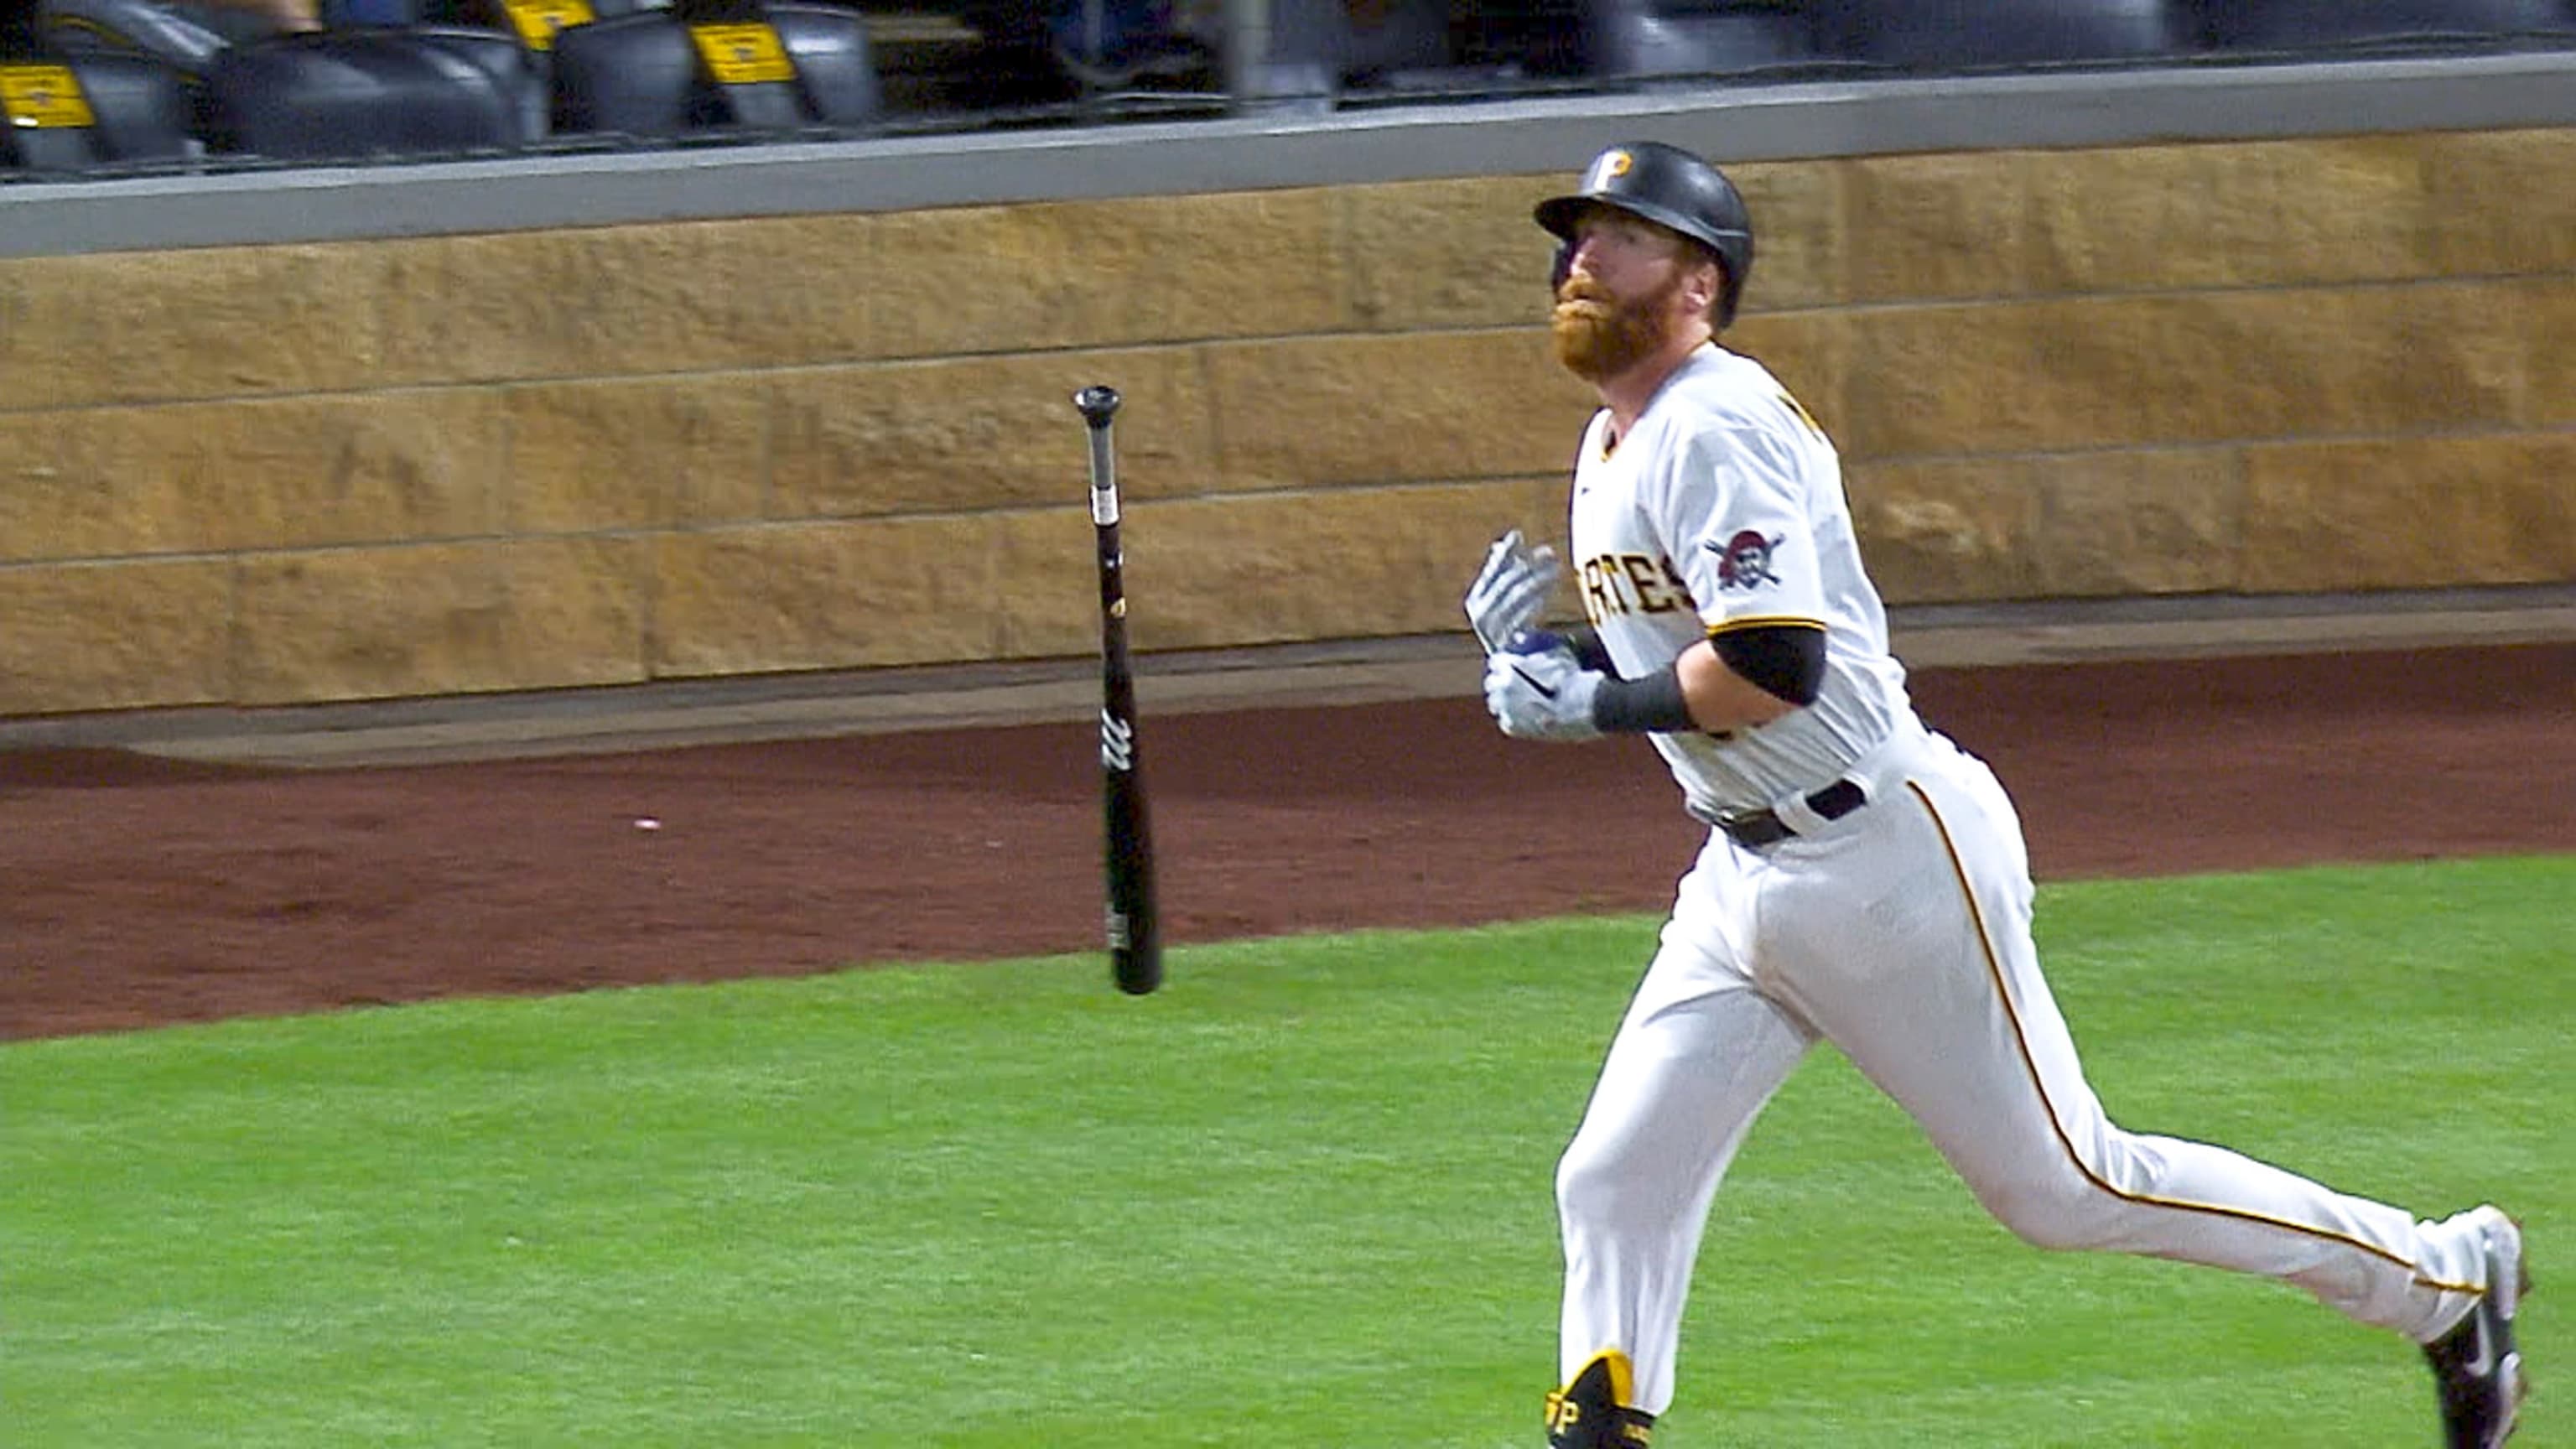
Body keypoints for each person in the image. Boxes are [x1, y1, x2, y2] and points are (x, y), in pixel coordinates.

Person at [1462, 139, 2529, 1449]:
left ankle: (2441, 1281)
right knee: (1615, 1174)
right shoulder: (1617, 434)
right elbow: (1685, 643)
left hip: (1886, 857)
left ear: (1696, 280)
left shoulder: (1716, 420)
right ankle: (1601, 1429)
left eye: (1615, 240)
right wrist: (1547, 658)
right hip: (1744, 879)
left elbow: (1773, 664)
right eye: (1574, 239)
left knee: (2065, 1186)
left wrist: (1592, 705)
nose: (1577, 262)